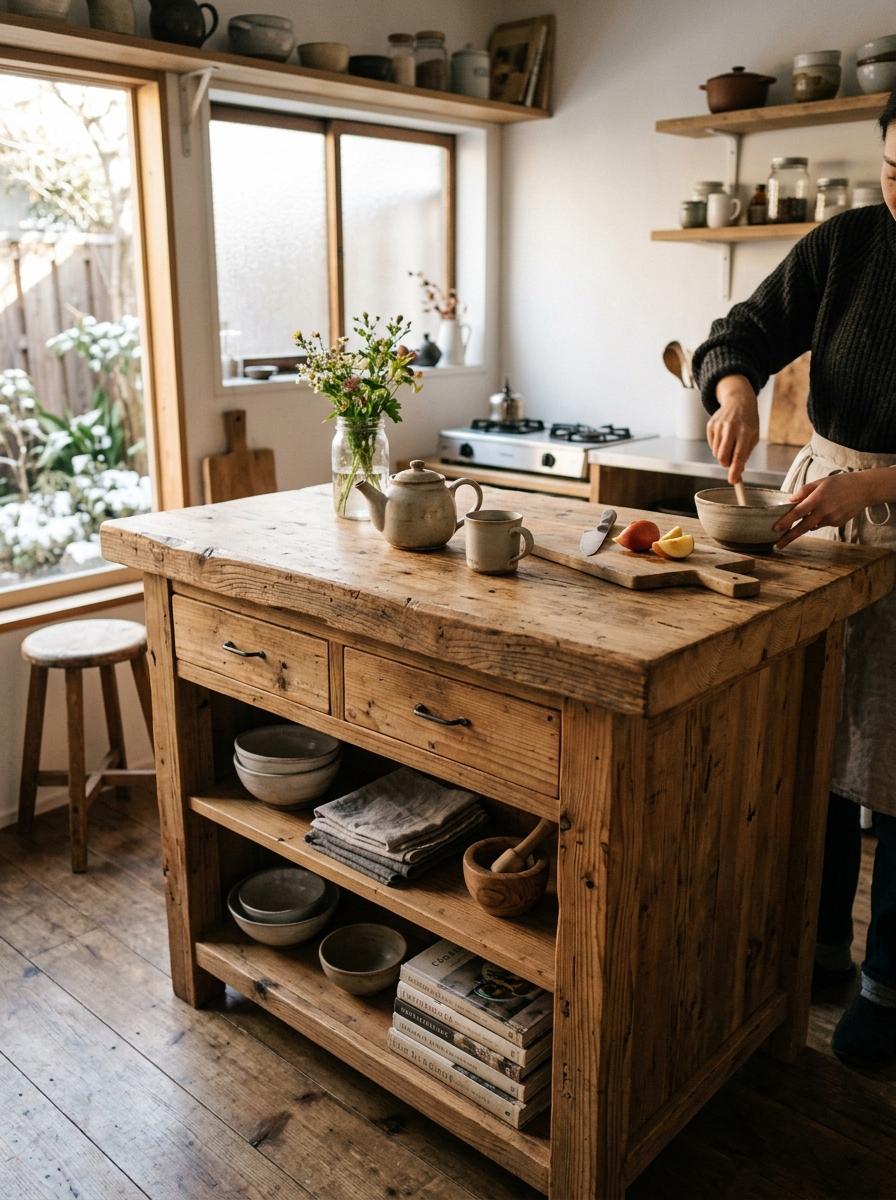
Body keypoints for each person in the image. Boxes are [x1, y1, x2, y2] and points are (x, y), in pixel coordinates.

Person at [692, 89, 896, 1070]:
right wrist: (733, 388)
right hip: (818, 506)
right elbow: (738, 330)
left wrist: (879, 480)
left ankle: (884, 985)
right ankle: (807, 950)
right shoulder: (848, 242)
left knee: (895, 768)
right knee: (809, 734)